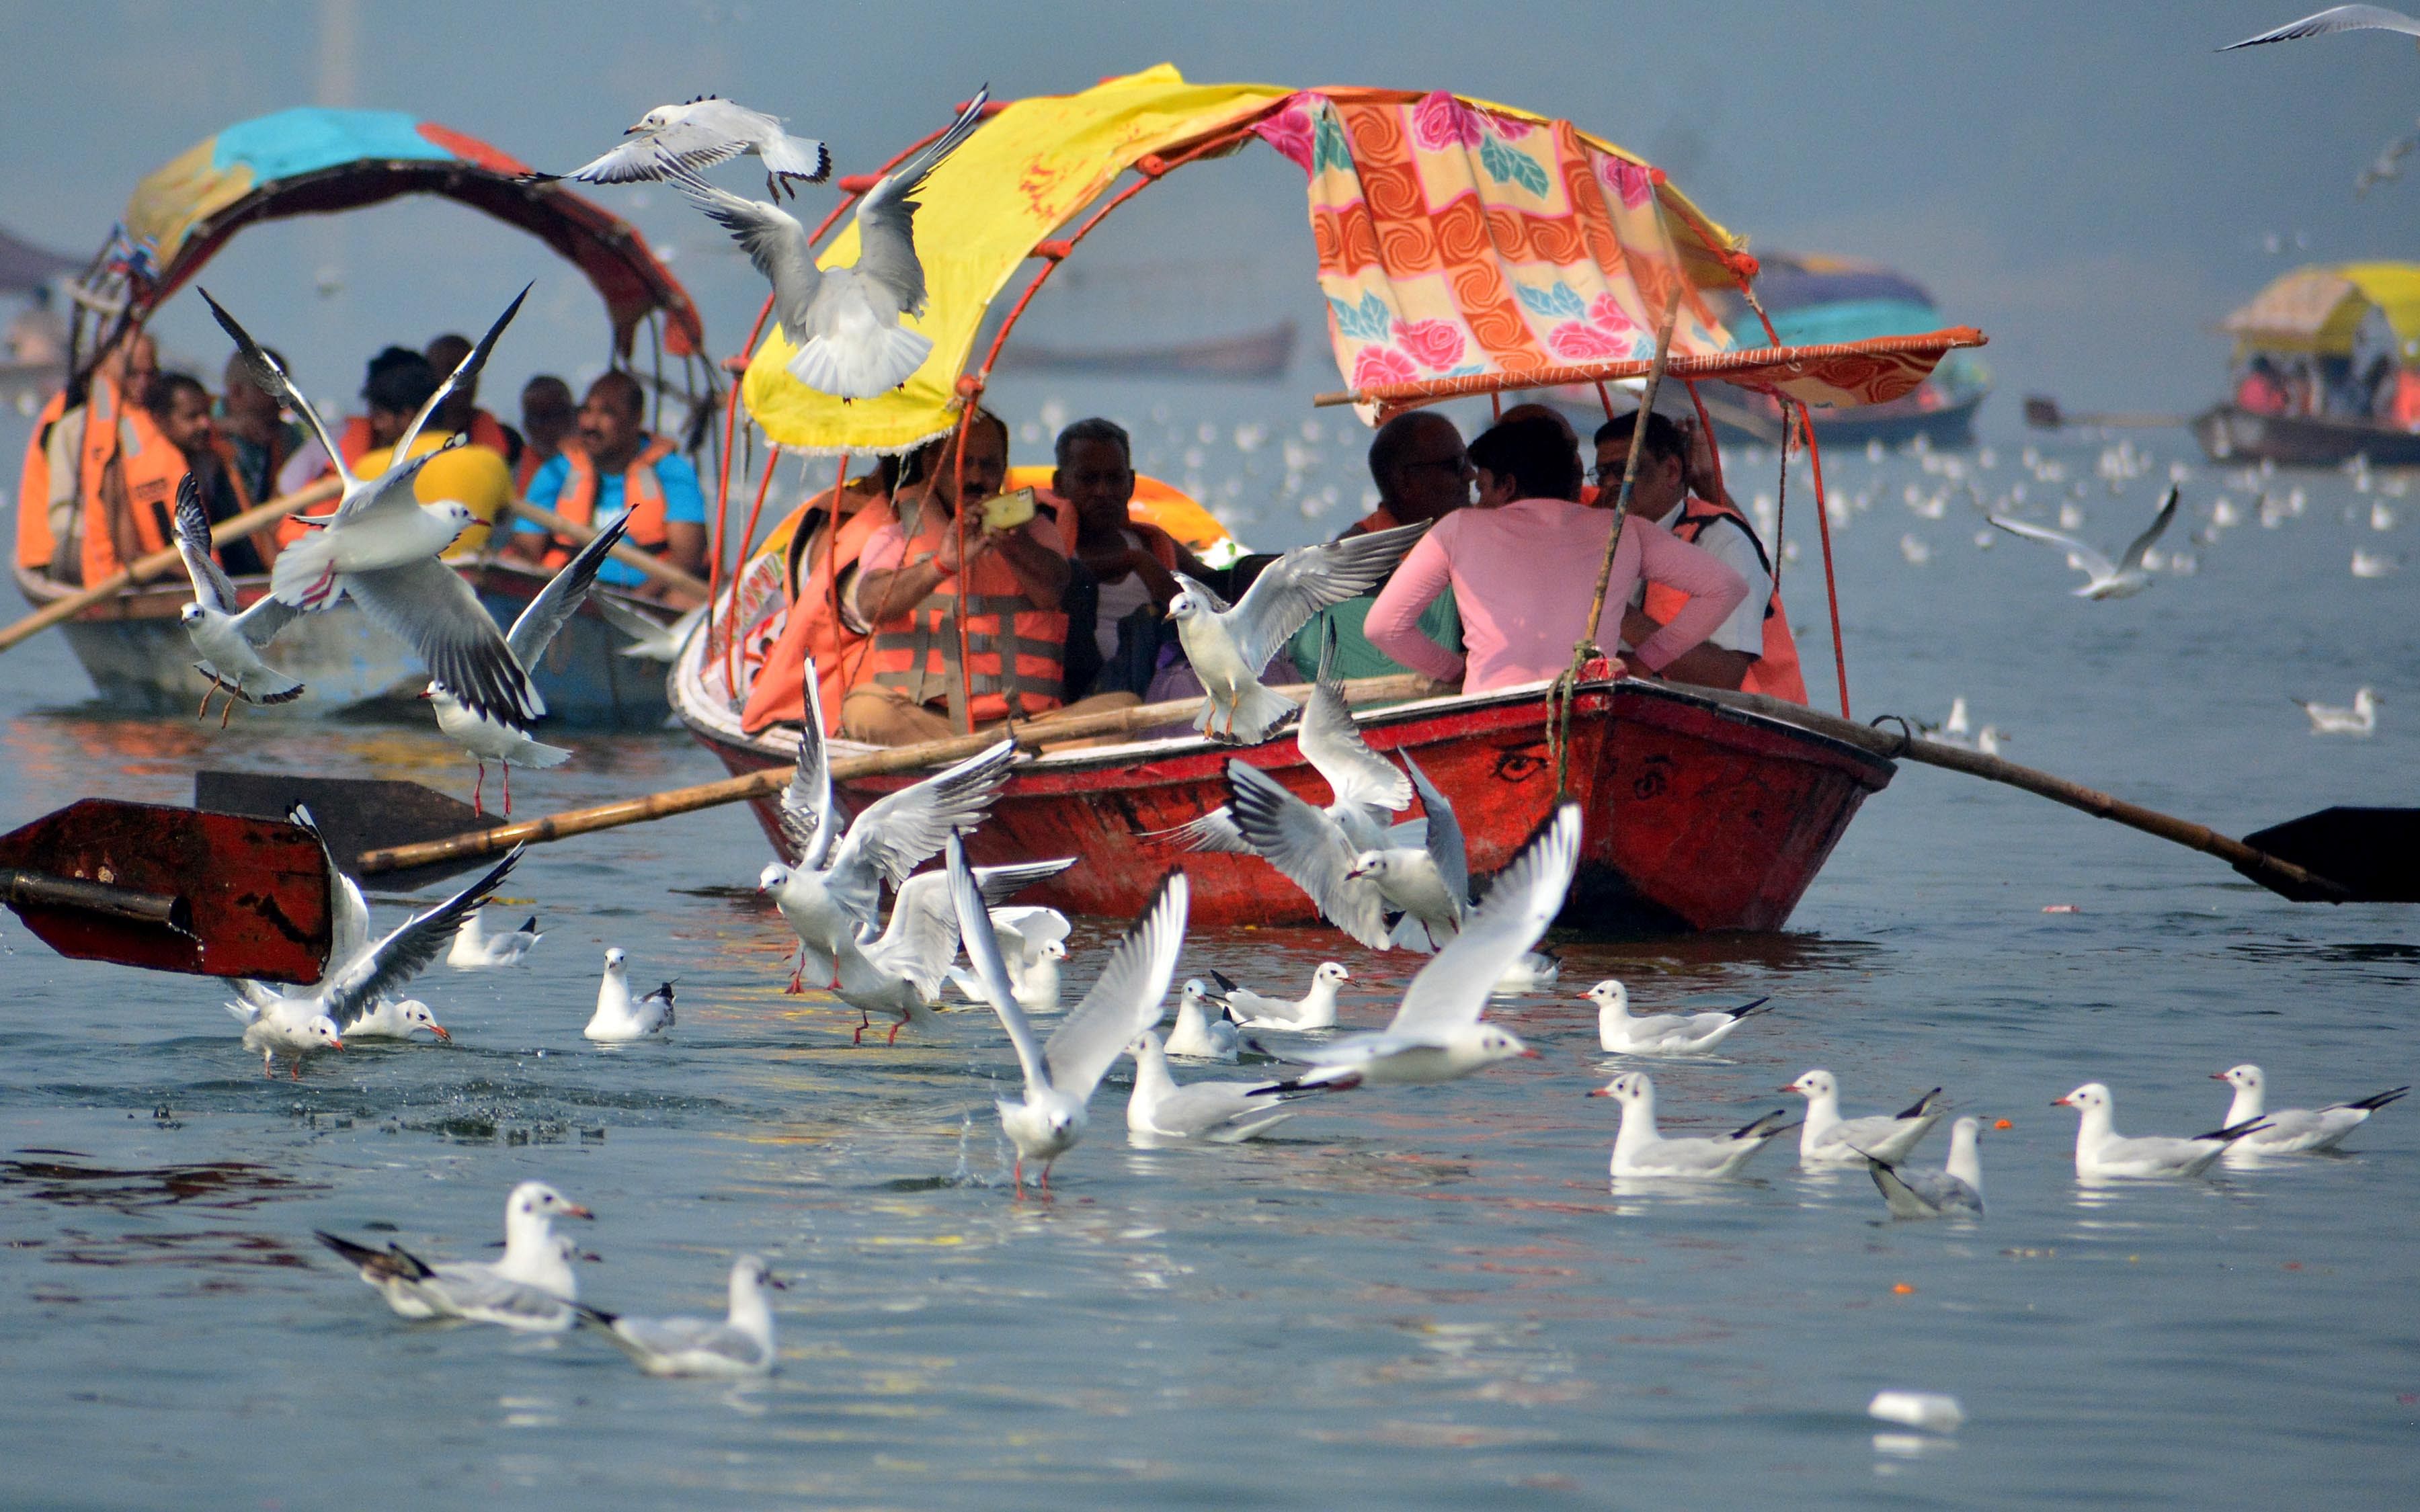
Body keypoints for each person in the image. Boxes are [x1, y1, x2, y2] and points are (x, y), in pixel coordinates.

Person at [1366, 415, 1746, 695]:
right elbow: (1727, 588)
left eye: (1482, 487)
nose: (1477, 501)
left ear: (1507, 485)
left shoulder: (1457, 528)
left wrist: (1454, 671)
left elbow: (1383, 627)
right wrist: (1646, 661)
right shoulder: (1622, 529)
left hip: (1491, 704)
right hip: (1589, 699)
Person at [840, 410, 1138, 745]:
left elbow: (1054, 591)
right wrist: (942, 564)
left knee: (1125, 709)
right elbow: (870, 604)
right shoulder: (894, 536)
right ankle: (968, 758)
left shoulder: (1037, 532)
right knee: (864, 710)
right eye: (963, 463)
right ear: (932, 465)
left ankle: (984, 760)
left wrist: (1014, 544)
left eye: (988, 465)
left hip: (1026, 728)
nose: (976, 477)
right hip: (930, 727)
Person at [1594, 409, 1806, 701]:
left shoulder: (1724, 542)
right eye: (1601, 474)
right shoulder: (1597, 535)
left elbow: (1724, 677)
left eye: (1623, 471)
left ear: (1671, 471)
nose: (1608, 485)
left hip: (1744, 728)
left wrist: (1619, 613)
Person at [1288, 410, 1471, 682]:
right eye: (1455, 465)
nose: (1471, 475)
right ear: (1405, 482)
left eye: (1469, 461)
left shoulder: (1478, 537)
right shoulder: (1353, 564)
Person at [1054, 417, 1221, 698]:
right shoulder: (1047, 547)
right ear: (1060, 485)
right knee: (1147, 622)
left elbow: (1215, 592)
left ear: (1131, 483)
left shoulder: (1153, 544)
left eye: (1114, 478)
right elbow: (1058, 578)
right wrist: (1134, 562)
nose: (1103, 492)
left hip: (1161, 683)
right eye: (1088, 479)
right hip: (1089, 694)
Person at [509, 370, 707, 601]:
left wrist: (632, 602)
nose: (591, 424)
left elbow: (687, 556)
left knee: (686, 598)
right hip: (566, 603)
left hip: (647, 602)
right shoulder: (556, 472)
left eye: (607, 413)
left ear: (636, 420)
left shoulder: (672, 472)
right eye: (587, 411)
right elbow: (526, 548)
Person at [344, 351, 516, 561]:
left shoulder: (371, 466)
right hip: (467, 581)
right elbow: (504, 521)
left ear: (407, 416)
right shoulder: (492, 461)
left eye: (380, 417)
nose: (376, 425)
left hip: (401, 579)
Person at [70, 330, 179, 587]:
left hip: (172, 564)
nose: (142, 383)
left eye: (150, 373)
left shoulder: (143, 416)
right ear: (110, 370)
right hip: (131, 579)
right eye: (132, 374)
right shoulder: (106, 431)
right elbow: (127, 551)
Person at [145, 372, 273, 576]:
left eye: (207, 414)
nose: (205, 424)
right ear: (161, 420)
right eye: (192, 417)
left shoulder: (218, 462)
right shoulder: (147, 473)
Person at [216, 349, 303, 513]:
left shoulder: (290, 438)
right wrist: (220, 427)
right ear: (237, 391)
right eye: (273, 390)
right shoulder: (198, 431)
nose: (283, 401)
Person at [424, 331, 524, 472]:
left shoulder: (509, 440)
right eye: (452, 371)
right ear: (429, 376)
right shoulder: (406, 439)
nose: (464, 379)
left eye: (472, 369)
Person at [516, 375, 577, 493]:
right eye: (539, 417)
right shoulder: (511, 478)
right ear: (526, 426)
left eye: (559, 414)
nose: (550, 426)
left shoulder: (600, 471)